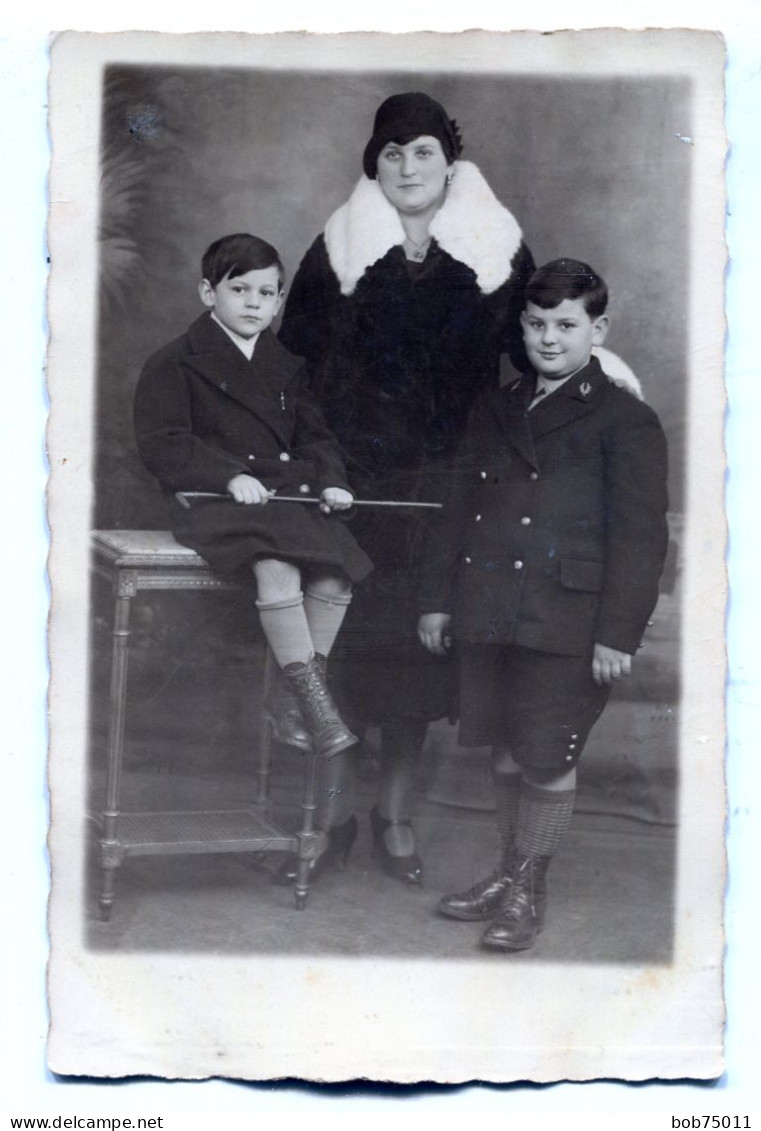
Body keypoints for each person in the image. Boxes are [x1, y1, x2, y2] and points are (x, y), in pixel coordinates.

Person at [278, 91, 536, 884]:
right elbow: (295, 362)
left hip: (444, 486)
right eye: (391, 153)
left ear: (448, 162)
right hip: (349, 488)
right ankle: (328, 818)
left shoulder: (498, 251)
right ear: (374, 166)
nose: (407, 166)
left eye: (422, 150)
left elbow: (531, 362)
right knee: (340, 657)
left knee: (415, 665)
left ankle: (393, 816)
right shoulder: (338, 249)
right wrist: (313, 467)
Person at [417, 258, 669, 951]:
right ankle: (507, 873)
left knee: (545, 752)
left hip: (568, 618)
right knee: (502, 746)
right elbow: (456, 510)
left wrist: (617, 631)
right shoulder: (496, 407)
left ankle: (528, 887)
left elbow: (641, 538)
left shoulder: (626, 419)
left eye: (565, 325)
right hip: (490, 604)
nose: (548, 339)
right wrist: (438, 601)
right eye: (535, 324)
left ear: (598, 327)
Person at [134, 232, 372, 768]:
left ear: (279, 300)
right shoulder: (174, 361)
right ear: (206, 292)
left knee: (336, 571)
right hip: (215, 502)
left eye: (267, 294)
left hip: (282, 500)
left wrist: (333, 479)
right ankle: (316, 707)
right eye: (239, 289)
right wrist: (227, 476)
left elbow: (315, 437)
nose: (253, 304)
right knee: (277, 568)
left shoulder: (285, 363)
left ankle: (291, 698)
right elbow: (163, 444)